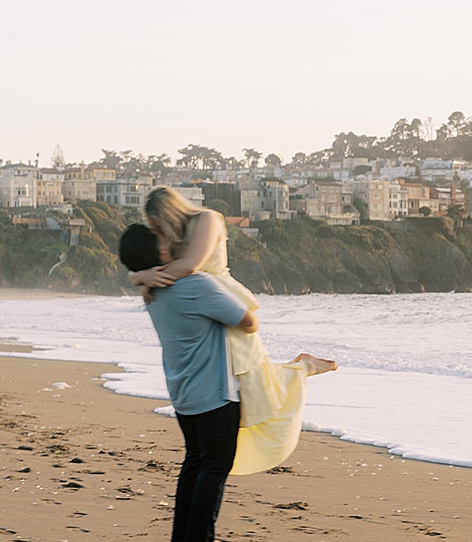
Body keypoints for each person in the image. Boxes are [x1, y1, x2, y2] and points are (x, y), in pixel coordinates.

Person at [128, 186, 335, 475]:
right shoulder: (173, 236)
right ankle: (219, 445)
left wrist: (143, 277)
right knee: (232, 385)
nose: (157, 233)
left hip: (219, 300)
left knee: (254, 380)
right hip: (199, 305)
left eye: (158, 225)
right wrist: (138, 276)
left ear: (170, 214)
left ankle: (304, 367)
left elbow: (191, 265)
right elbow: (170, 266)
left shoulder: (207, 219)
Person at [118, 223, 252, 542]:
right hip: (214, 392)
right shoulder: (195, 285)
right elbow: (248, 320)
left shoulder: (151, 291)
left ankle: (182, 541)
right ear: (161, 252)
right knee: (215, 465)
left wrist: (140, 277)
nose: (173, 240)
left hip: (182, 391)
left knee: (195, 461)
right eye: (164, 238)